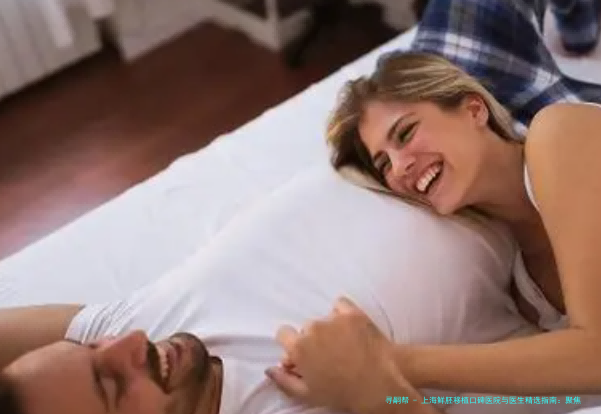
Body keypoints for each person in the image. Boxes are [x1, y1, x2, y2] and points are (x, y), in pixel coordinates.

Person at [266, 0, 601, 413]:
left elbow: (595, 355)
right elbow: (569, 393)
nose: (399, 168)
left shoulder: (558, 135)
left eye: (405, 133)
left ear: (473, 109)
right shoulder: (523, 291)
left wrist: (390, 363)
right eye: (383, 164)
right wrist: (380, 390)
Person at [0, 164, 546, 414]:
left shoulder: (126, 327)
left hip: (436, 126)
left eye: (90, 349)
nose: (130, 342)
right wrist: (377, 394)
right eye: (112, 386)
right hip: (544, 228)